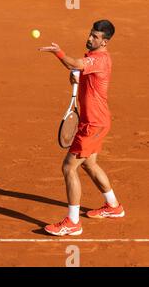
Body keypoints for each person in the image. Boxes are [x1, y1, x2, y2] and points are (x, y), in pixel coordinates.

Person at [39, 20, 125, 236]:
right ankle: (113, 206)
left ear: (105, 41)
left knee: (69, 168)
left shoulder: (99, 58)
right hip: (96, 121)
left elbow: (74, 64)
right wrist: (77, 79)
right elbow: (79, 70)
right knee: (90, 164)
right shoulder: (92, 58)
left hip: (93, 124)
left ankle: (73, 222)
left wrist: (58, 53)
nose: (89, 38)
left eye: (95, 37)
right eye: (90, 34)